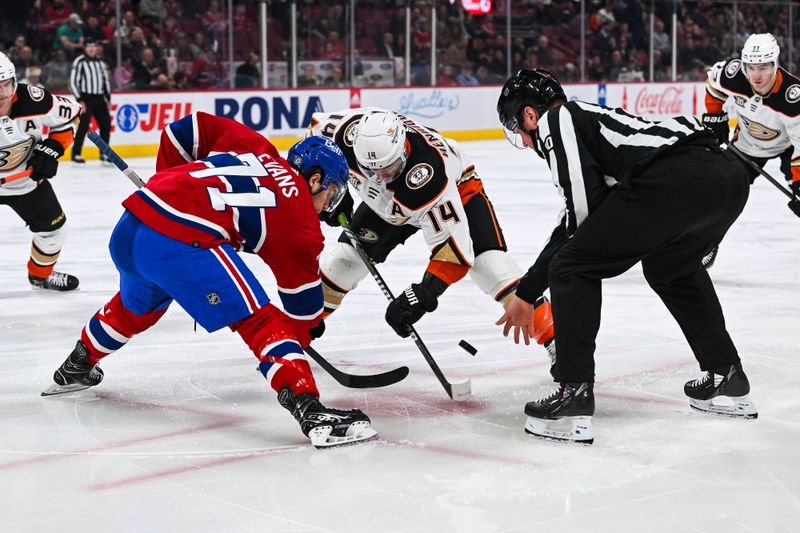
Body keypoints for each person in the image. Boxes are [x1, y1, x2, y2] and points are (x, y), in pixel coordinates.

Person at [43, 112, 376, 448]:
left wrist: (171, 182)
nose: (326, 206)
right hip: (179, 243)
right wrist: (306, 330)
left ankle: (78, 364)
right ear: (315, 179)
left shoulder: (257, 147)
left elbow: (185, 130)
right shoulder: (302, 221)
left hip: (132, 225)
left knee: (135, 309)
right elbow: (302, 309)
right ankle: (311, 411)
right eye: (331, 194)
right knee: (261, 321)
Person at [495, 69, 757, 444]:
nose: (523, 138)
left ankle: (574, 392)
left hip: (674, 179)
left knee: (570, 266)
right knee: (672, 268)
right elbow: (585, 214)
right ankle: (725, 374)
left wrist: (527, 292)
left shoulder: (558, 119)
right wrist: (528, 290)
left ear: (529, 115)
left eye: (518, 129)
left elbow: (582, 216)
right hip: (726, 175)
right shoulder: (588, 123)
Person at [308, 108, 555, 365]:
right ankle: (301, 321)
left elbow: (453, 253)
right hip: (385, 204)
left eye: (389, 169)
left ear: (403, 149)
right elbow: (310, 151)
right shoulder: (338, 133)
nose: (381, 176)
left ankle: (557, 341)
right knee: (345, 261)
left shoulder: (430, 175)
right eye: (372, 170)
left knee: (489, 265)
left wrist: (422, 295)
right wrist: (332, 187)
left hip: (457, 189)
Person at [702, 33, 800, 268]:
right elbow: (714, 85)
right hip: (746, 146)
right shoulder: (734, 74)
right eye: (751, 67)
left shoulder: (793, 97)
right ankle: (706, 242)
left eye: (764, 67)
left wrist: (799, 183)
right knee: (719, 194)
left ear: (775, 64)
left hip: (788, 147)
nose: (756, 75)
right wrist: (715, 118)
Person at [0, 52, 81, 292]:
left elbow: (71, 117)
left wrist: (52, 148)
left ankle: (40, 275)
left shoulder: (33, 100)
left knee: (55, 230)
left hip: (25, 181)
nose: (3, 93)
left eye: (6, 84)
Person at [69, 38, 112, 164]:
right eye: (89, 46)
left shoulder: (100, 63)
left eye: (94, 46)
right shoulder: (80, 61)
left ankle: (104, 153)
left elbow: (106, 81)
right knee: (83, 126)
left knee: (106, 125)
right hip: (86, 98)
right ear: (85, 48)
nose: (92, 49)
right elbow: (72, 82)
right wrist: (79, 99)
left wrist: (108, 99)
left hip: (99, 98)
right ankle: (76, 153)